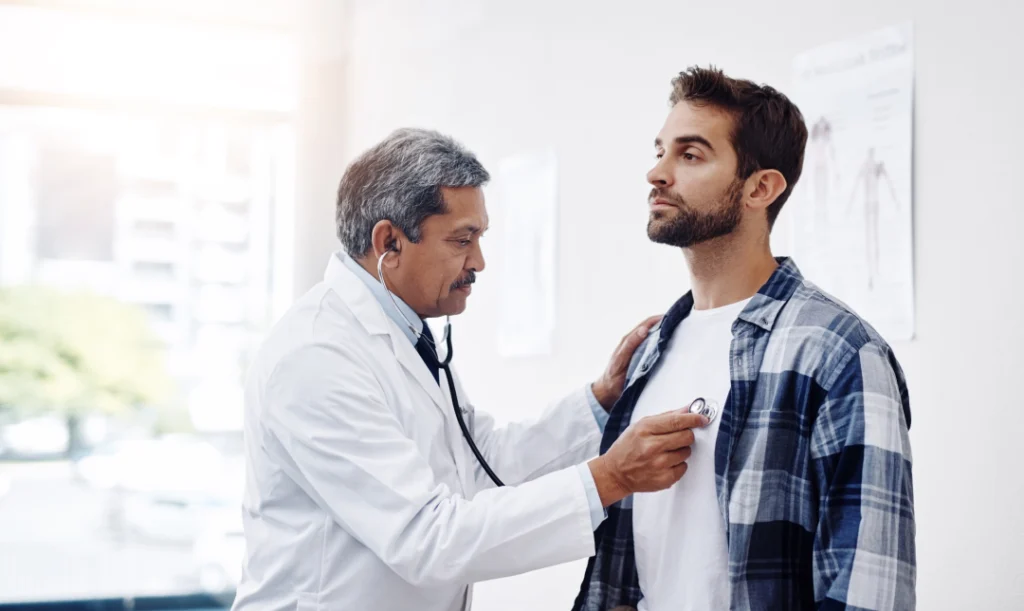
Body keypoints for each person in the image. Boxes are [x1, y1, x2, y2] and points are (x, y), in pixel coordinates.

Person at [231, 128, 708, 611]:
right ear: (388, 242)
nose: (478, 261)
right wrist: (609, 478)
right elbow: (427, 538)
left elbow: (481, 465)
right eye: (463, 240)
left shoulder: (406, 336)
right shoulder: (317, 357)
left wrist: (600, 403)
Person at [572, 67, 915, 611]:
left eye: (690, 155)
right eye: (660, 150)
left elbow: (870, 587)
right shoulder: (649, 352)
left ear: (761, 187)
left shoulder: (838, 351)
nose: (656, 173)